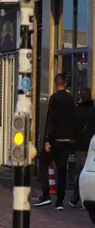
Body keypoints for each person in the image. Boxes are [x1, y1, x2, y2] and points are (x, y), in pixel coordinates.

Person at [35, 73, 76, 209]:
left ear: (55, 83)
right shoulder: (71, 99)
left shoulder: (54, 99)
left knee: (43, 161)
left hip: (56, 139)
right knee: (62, 169)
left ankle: (46, 194)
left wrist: (47, 139)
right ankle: (60, 201)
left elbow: (51, 119)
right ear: (64, 83)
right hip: (67, 139)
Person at [70, 87, 95, 208]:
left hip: (80, 146)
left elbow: (73, 129)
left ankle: (77, 198)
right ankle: (77, 198)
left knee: (81, 171)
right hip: (92, 146)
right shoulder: (94, 111)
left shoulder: (77, 111)